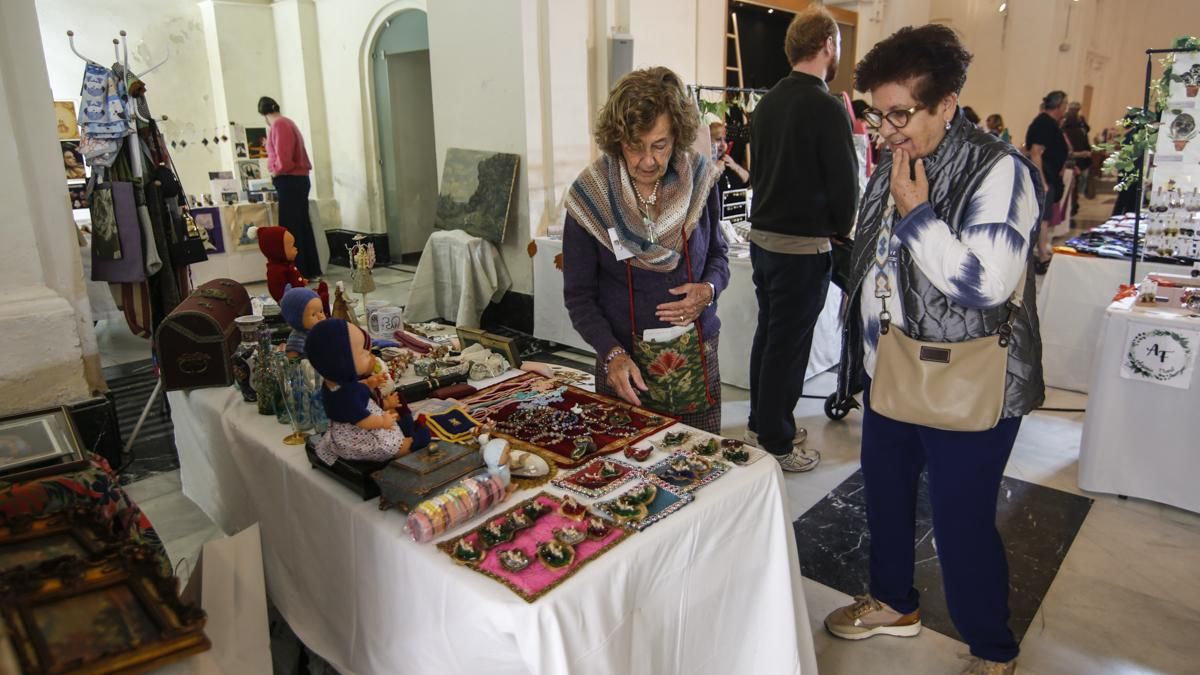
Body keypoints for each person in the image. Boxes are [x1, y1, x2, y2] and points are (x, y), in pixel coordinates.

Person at [824, 25, 1044, 675]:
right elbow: (876, 261)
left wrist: (918, 215)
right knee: (885, 498)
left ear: (946, 103)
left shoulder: (1001, 171)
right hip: (892, 368)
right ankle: (895, 601)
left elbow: (986, 283)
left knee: (960, 522)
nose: (885, 130)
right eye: (877, 114)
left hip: (971, 378)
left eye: (900, 113)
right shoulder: (896, 157)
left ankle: (993, 648)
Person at [562, 67, 728, 433]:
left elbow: (719, 255)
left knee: (700, 460)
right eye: (635, 146)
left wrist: (709, 289)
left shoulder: (700, 180)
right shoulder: (591, 197)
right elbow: (579, 297)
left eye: (660, 145)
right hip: (623, 367)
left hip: (696, 359)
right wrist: (612, 354)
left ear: (678, 136)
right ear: (616, 139)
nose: (648, 161)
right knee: (624, 462)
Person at [746, 5, 857, 471]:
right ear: (828, 45)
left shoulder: (767, 103)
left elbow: (758, 174)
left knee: (770, 336)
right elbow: (845, 186)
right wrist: (841, 228)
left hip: (763, 241)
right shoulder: (827, 107)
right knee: (788, 347)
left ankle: (763, 422)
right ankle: (776, 440)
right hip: (801, 246)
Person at [258, 95, 321, 279]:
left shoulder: (279, 125)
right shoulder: (288, 123)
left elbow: (284, 159)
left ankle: (297, 270)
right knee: (302, 225)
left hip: (289, 180)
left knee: (291, 228)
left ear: (264, 114)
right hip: (298, 180)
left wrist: (274, 172)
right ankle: (309, 268)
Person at [1024, 90, 1069, 273]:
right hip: (1044, 178)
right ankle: (1042, 254)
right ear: (1059, 106)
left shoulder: (1049, 123)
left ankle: (1042, 252)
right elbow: (1036, 152)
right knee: (1042, 218)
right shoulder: (1044, 123)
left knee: (1044, 218)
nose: (1066, 108)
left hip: (1050, 177)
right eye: (1065, 105)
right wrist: (1041, 181)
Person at [1062, 101, 1093, 200]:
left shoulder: (1081, 121)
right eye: (1074, 109)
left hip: (1082, 150)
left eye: (1077, 109)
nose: (1075, 111)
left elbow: (1086, 130)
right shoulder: (1065, 120)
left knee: (1083, 176)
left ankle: (1079, 194)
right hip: (1073, 153)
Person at [710, 121, 749, 190]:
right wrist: (715, 170)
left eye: (725, 140)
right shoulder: (704, 164)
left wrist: (735, 166)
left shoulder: (728, 159)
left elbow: (748, 181)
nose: (723, 144)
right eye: (718, 140)